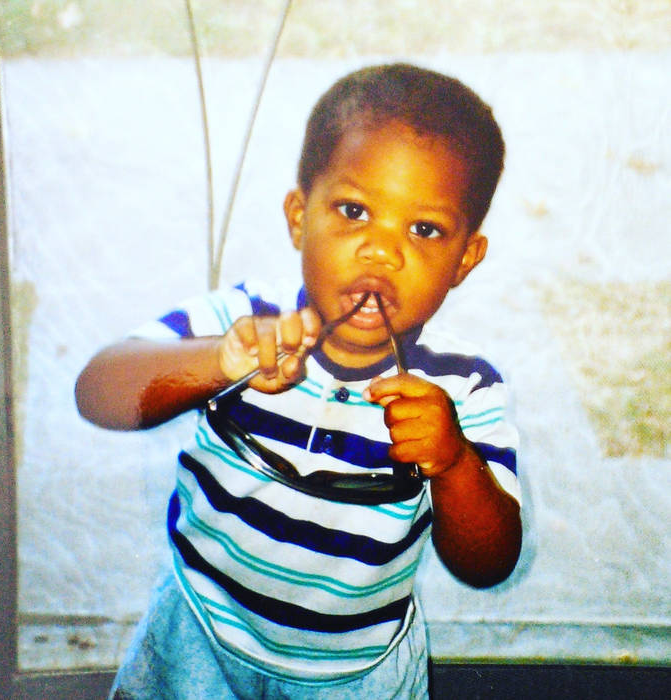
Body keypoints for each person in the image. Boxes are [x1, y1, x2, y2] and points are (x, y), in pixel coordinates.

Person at [76, 63, 522, 699]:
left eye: (423, 229)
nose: (381, 251)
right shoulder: (241, 324)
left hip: (353, 675)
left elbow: (488, 563)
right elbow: (97, 394)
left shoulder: (464, 387)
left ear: (465, 260)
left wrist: (454, 463)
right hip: (197, 638)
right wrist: (217, 362)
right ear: (298, 216)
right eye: (354, 211)